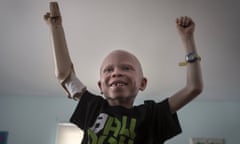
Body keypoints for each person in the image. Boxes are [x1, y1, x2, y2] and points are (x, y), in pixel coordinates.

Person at [44, 2, 203, 144]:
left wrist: (188, 39)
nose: (116, 73)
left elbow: (193, 88)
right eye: (108, 70)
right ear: (100, 86)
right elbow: (65, 77)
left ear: (143, 83)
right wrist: (56, 29)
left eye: (126, 68)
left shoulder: (151, 115)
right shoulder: (93, 107)